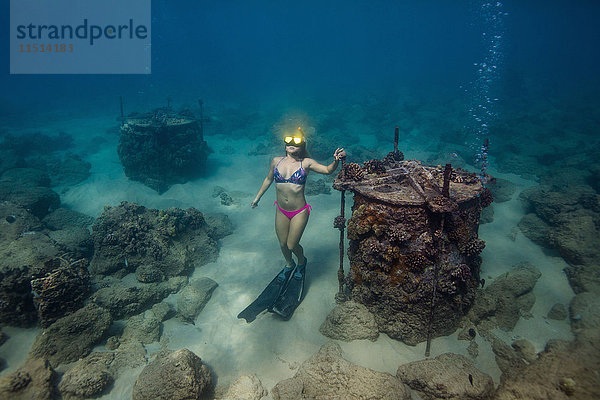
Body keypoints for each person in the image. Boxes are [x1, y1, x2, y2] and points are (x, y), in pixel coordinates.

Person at [237, 128, 345, 322]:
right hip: (281, 209)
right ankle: (289, 265)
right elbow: (269, 179)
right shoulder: (276, 161)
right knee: (282, 244)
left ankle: (301, 262)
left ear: (302, 145)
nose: (291, 144)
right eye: (288, 141)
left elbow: (328, 170)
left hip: (299, 211)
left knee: (292, 245)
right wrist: (257, 198)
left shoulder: (307, 163)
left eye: (295, 141)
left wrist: (336, 160)